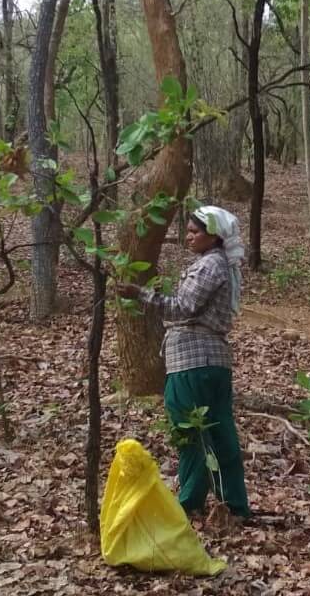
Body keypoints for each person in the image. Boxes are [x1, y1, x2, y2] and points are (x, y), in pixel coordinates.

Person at [115, 206, 250, 520]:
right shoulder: (219, 265)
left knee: (189, 432)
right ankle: (232, 505)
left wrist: (142, 294)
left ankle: (189, 503)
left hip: (193, 361)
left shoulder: (210, 265)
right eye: (187, 231)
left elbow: (183, 307)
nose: (188, 237)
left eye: (195, 232)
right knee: (219, 433)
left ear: (214, 235)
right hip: (211, 361)